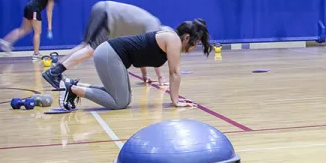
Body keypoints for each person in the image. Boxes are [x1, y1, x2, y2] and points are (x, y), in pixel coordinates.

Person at [58, 19, 212, 111]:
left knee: (121, 97)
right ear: (186, 37)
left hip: (112, 54)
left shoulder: (169, 37)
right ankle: (72, 89)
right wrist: (175, 101)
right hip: (110, 54)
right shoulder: (173, 40)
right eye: (196, 43)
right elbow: (175, 73)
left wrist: (147, 77)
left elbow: (143, 51)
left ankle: (72, 85)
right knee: (120, 102)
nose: (193, 49)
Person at [42, 1, 162, 90]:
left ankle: (56, 70)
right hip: (107, 14)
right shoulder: (154, 25)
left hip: (103, 10)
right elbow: (151, 52)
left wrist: (144, 76)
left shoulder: (151, 24)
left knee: (85, 46)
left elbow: (142, 52)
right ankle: (54, 73)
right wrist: (160, 77)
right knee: (91, 50)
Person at [0, 0, 67, 59]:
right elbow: (49, 11)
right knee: (37, 32)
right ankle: (36, 54)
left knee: (24, 29)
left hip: (28, 7)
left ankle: (5, 41)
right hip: (35, 10)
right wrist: (49, 26)